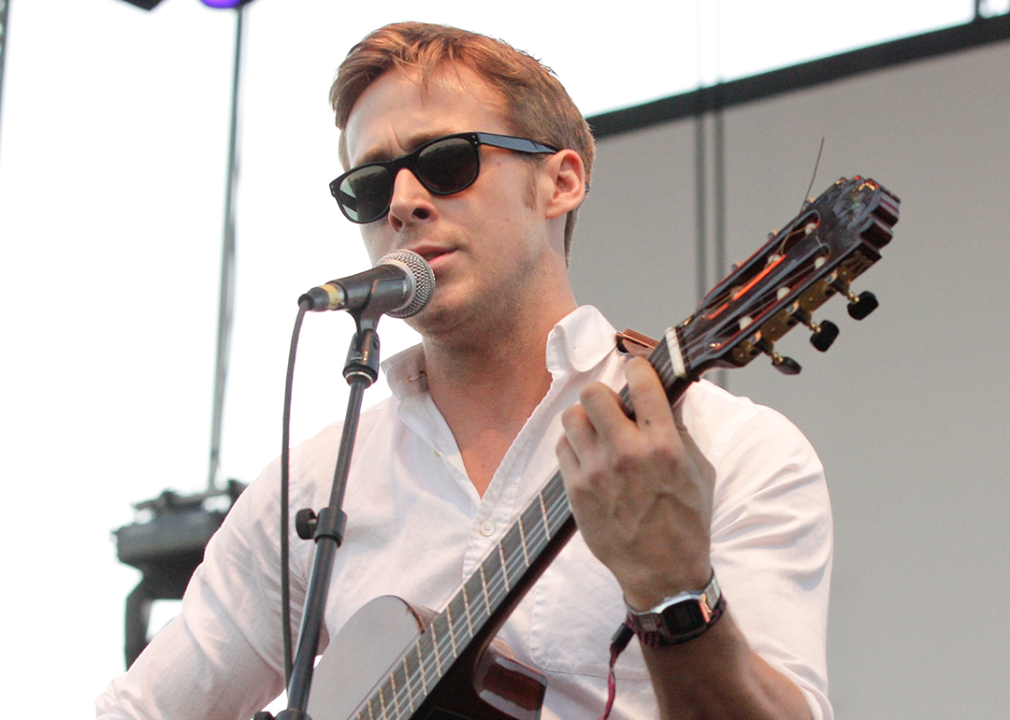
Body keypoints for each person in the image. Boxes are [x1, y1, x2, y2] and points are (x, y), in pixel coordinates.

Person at [96, 22, 832, 720]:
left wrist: (674, 587)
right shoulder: (315, 484)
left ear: (560, 182)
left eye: (446, 162)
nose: (406, 203)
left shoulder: (729, 450)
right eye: (371, 186)